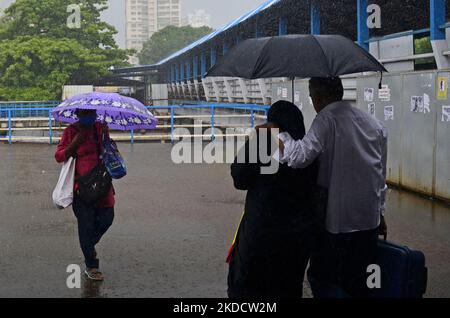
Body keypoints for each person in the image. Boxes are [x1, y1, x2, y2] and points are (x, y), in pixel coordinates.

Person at [265, 77, 388, 297]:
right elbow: (380, 175)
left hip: (339, 222)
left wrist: (278, 134)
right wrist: (380, 213)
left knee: (325, 278)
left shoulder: (326, 118)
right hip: (369, 220)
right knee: (362, 281)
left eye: (312, 96)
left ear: (320, 96)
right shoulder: (374, 123)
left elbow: (299, 157)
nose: (313, 101)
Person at [227, 100, 321, 298]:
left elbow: (239, 178)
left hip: (260, 235)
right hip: (296, 240)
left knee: (249, 290)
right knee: (288, 288)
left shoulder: (261, 143)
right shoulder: (309, 150)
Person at [55, 109, 115, 281]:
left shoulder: (100, 128)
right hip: (81, 188)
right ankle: (92, 265)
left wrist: (107, 138)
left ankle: (88, 244)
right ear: (78, 114)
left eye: (92, 113)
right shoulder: (71, 131)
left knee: (107, 218)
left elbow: (108, 151)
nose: (90, 117)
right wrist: (75, 142)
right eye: (86, 114)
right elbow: (59, 156)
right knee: (86, 226)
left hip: (102, 185)